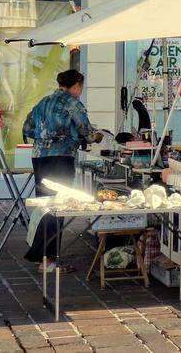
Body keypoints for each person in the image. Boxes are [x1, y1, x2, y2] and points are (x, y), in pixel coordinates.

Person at [22, 69, 103, 272]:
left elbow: (27, 128)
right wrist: (98, 135)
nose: (80, 91)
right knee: (58, 206)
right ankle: (48, 261)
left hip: (40, 157)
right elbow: (88, 133)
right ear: (76, 85)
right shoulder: (73, 104)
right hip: (61, 158)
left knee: (45, 205)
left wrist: (45, 135)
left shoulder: (44, 102)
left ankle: (42, 256)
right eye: (80, 88)